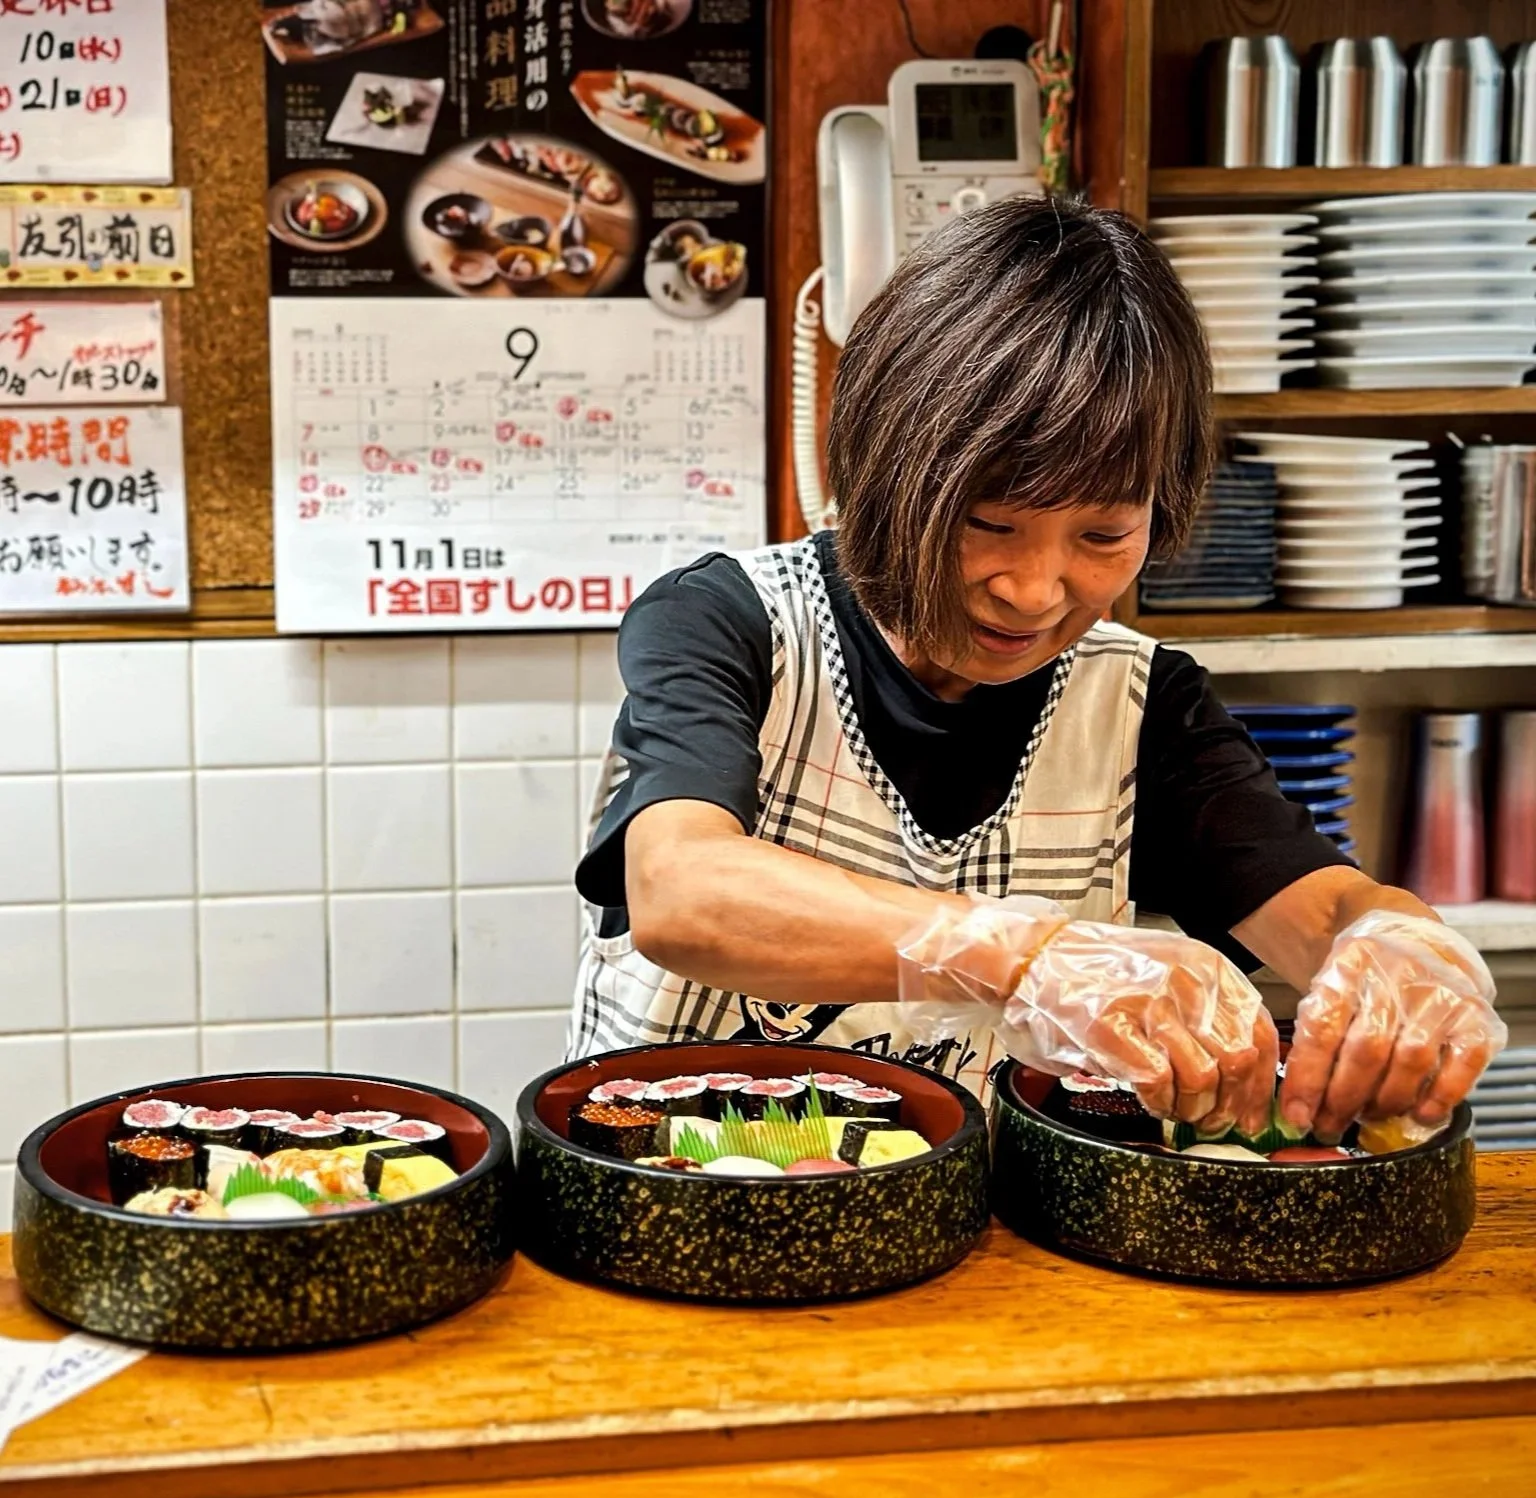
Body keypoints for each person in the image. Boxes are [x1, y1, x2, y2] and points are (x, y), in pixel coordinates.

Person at [572, 197, 1505, 1141]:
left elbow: (1323, 907)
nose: (1031, 588)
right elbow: (681, 888)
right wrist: (1026, 953)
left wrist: (1397, 949)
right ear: (889, 468)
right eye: (989, 523)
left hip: (988, 1248)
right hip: (677, 1194)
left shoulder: (1141, 704)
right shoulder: (730, 623)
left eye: (1104, 533)